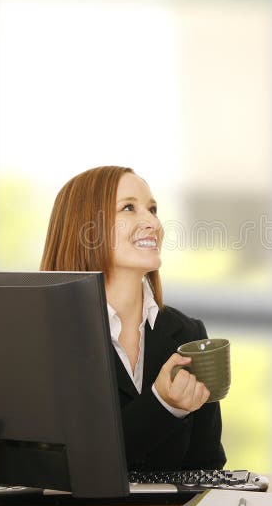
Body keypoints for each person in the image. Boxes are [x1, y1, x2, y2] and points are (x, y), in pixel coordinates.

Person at [41, 165, 226, 471]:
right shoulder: (43, 336)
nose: (152, 222)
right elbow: (63, 467)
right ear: (84, 228)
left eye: (152, 209)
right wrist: (162, 405)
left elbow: (207, 469)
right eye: (129, 208)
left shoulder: (188, 334)